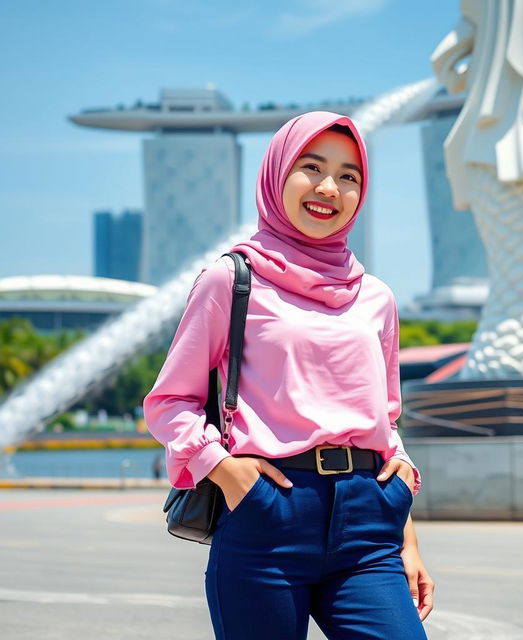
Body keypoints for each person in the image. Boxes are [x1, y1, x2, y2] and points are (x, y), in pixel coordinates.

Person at [143, 111, 434, 639]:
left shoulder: (376, 297)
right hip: (269, 513)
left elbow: (384, 419)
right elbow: (170, 402)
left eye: (350, 176)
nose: (330, 187)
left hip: (370, 523)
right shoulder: (231, 280)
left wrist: (406, 531)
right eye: (312, 166)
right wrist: (227, 472)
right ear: (277, 175)